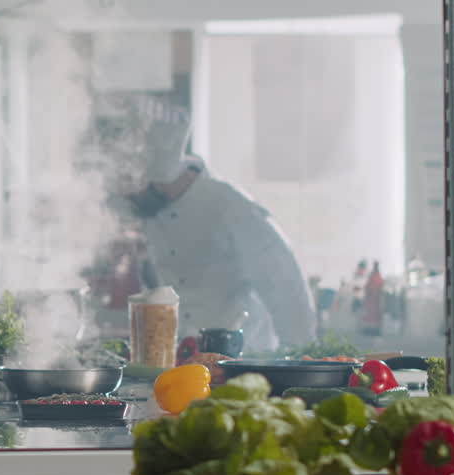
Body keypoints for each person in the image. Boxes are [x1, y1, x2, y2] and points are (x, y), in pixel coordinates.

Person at [115, 98, 315, 352]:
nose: (124, 195)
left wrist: (301, 358)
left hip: (243, 358)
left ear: (157, 176)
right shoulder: (152, 208)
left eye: (130, 184)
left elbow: (286, 289)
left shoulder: (230, 206)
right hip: (183, 358)